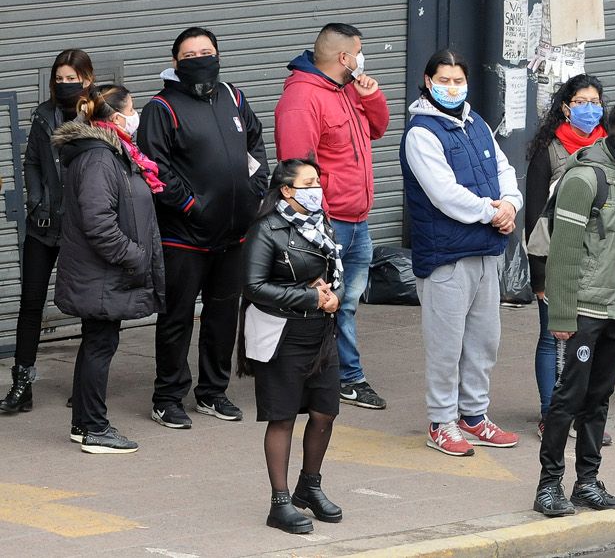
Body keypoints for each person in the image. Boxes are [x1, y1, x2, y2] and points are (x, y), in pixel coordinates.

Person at [137, 27, 268, 428]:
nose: (199, 59)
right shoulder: (162, 108)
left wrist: (255, 191)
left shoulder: (234, 97)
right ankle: (167, 397)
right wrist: (192, 206)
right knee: (176, 318)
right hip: (185, 237)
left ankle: (213, 393)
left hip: (233, 235)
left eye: (206, 52)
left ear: (218, 56)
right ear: (176, 62)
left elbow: (256, 145)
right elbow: (154, 169)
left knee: (222, 317)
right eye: (190, 54)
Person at [534, 99, 615, 517]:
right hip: (585, 309)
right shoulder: (585, 178)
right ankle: (548, 486)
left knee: (600, 397)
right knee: (568, 398)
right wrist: (563, 316)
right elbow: (564, 254)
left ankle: (586, 482)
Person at [401, 50, 523, 457]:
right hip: (446, 257)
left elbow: (504, 169)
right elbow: (443, 194)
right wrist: (493, 213)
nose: (452, 88)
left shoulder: (477, 123)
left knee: (485, 340)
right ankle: (441, 421)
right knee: (446, 345)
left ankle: (474, 416)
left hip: (486, 251)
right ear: (428, 80)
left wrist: (510, 204)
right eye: (444, 80)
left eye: (458, 80)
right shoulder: (421, 132)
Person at [276, 23, 391, 409]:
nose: (362, 59)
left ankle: (330, 374)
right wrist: (314, 225)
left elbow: (378, 128)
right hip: (330, 223)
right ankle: (345, 377)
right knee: (327, 300)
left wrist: (371, 96)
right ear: (345, 57)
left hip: (358, 221)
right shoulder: (302, 99)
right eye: (359, 51)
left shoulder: (346, 91)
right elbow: (295, 168)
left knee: (345, 302)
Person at [54, 84, 165, 453]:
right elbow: (98, 223)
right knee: (100, 346)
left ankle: (83, 424)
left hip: (103, 274)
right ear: (115, 118)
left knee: (97, 344)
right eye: (132, 109)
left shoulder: (111, 152)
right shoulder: (101, 158)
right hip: (103, 274)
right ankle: (94, 429)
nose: (137, 117)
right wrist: (135, 255)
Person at [239, 158, 344, 535]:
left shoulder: (321, 225)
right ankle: (279, 503)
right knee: (281, 417)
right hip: (281, 334)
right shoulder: (266, 230)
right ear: (286, 190)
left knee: (324, 413)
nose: (317, 188)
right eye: (309, 183)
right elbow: (253, 287)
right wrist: (308, 297)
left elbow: (334, 274)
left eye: (318, 181)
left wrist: (334, 298)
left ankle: (309, 487)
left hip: (321, 334)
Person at [2, 50, 94, 415]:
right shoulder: (44, 114)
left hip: (83, 227)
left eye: (73, 78)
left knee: (89, 307)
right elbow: (33, 162)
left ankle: (85, 386)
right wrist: (36, 203)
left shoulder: (98, 115)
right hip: (44, 225)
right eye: (60, 77)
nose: (65, 84)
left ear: (87, 78)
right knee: (31, 304)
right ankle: (21, 385)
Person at [523, 74, 614, 444]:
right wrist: (540, 277)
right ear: (565, 107)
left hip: (599, 264)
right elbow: (534, 219)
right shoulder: (550, 150)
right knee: (552, 338)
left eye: (595, 102)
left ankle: (581, 413)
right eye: (580, 102)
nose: (589, 109)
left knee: (589, 339)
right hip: (559, 260)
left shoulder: (611, 148)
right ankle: (550, 412)